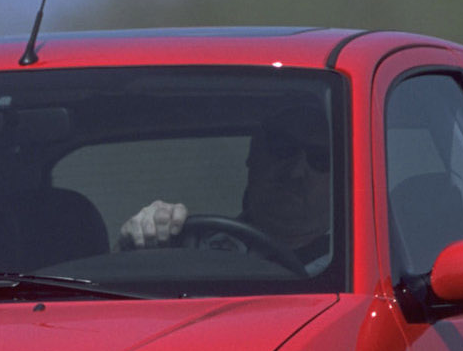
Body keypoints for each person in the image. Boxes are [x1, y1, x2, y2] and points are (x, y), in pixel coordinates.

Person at [117, 105, 333, 270]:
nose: (296, 171)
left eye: (320, 158)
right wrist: (142, 240)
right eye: (283, 148)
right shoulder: (191, 246)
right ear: (253, 154)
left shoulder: (347, 268)